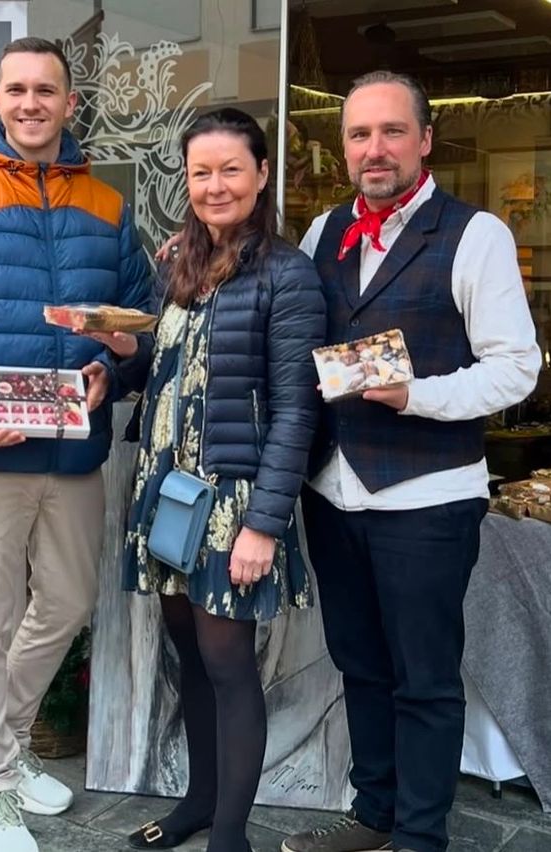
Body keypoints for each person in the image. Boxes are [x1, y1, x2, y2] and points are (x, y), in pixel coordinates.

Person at [0, 36, 152, 852]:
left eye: (48, 90)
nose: (32, 103)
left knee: (71, 602)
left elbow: (138, 324)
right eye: (18, 90)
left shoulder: (110, 208)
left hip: (74, 450)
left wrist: (116, 370)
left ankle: (0, 746)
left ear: (70, 103)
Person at [283, 71, 542, 852]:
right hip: (333, 489)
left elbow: (516, 367)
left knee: (425, 677)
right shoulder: (322, 232)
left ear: (425, 140)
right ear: (344, 148)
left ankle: (421, 837)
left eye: (392, 131)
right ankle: (375, 816)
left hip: (428, 495)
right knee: (359, 665)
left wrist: (414, 393)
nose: (375, 148)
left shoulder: (476, 234)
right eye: (360, 134)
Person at [115, 107, 325, 852]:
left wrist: (264, 524)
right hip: (169, 497)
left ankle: (230, 833)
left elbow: (299, 409)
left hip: (235, 505)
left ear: (262, 174)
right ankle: (197, 803)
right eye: (201, 172)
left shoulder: (289, 275)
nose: (214, 185)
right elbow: (155, 371)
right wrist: (116, 348)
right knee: (191, 661)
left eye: (230, 169)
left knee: (231, 666)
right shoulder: (179, 262)